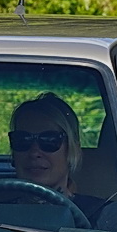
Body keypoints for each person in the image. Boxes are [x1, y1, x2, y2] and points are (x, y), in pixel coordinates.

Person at [7, 92, 111, 225]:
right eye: (22, 140)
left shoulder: (104, 215)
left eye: (49, 140)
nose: (34, 152)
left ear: (72, 150)